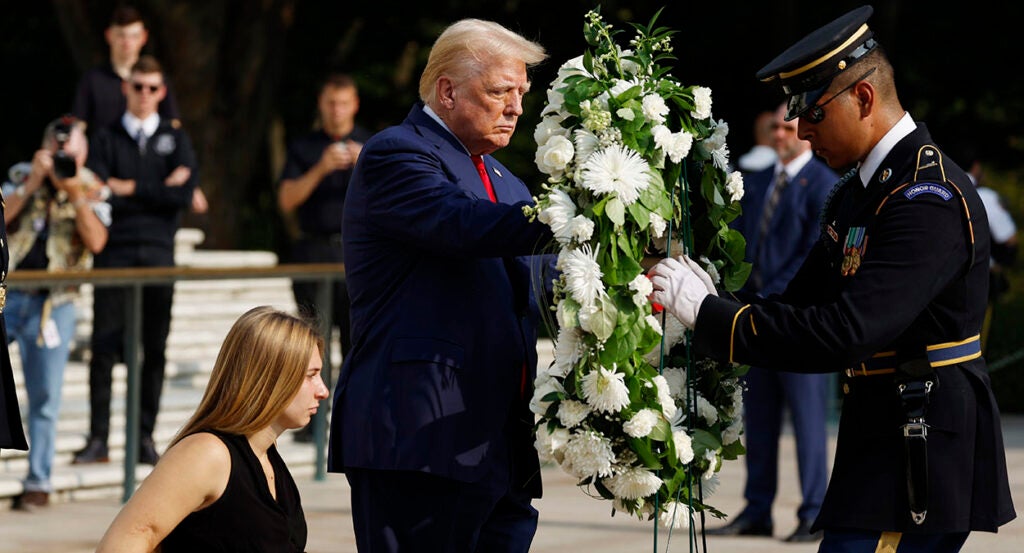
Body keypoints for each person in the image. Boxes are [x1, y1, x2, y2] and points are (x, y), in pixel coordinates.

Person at [649, 6, 1015, 552]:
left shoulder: (925, 198)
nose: (797, 130)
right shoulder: (858, 193)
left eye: (812, 112)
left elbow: (847, 330)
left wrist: (712, 315)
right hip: (879, 445)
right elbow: (795, 306)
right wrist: (702, 294)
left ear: (863, 99)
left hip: (917, 453)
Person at [328, 18, 553, 553]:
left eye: (522, 93)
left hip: (498, 446)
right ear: (448, 90)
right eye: (501, 91)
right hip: (420, 440)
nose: (517, 108)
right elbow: (459, 223)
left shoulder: (507, 180)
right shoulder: (396, 152)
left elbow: (542, 288)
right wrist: (578, 216)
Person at [95, 305, 328, 552]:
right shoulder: (208, 453)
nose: (323, 391)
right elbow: (124, 541)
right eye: (311, 375)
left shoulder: (268, 459)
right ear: (270, 378)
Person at [707, 102, 836, 542]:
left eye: (787, 128)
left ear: (805, 130)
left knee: (807, 419)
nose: (779, 135)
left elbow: (813, 255)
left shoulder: (825, 185)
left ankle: (815, 511)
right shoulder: (759, 180)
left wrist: (768, 298)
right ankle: (757, 509)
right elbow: (740, 244)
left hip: (798, 321)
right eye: (774, 128)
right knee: (757, 418)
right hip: (756, 318)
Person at [73, 55, 199, 467]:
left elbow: (183, 197)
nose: (144, 95)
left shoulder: (175, 138)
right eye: (137, 86)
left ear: (162, 92)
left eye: (152, 88)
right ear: (125, 89)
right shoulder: (106, 138)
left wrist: (126, 187)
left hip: (160, 256)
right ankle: (98, 439)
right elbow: (96, 191)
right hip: (115, 253)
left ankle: (144, 437)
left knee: (153, 349)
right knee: (105, 348)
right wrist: (158, 186)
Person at [2, 115, 110, 511]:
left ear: (83, 151)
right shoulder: (20, 175)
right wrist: (33, 183)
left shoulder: (94, 186)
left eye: (71, 147)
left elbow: (98, 240)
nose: (64, 154)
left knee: (45, 396)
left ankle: (39, 480)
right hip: (8, 292)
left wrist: (74, 191)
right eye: (57, 147)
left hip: (55, 302)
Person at [277, 73, 371, 443]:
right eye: (331, 104)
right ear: (321, 105)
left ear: (355, 105)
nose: (337, 111)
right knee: (312, 341)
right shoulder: (304, 148)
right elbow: (286, 201)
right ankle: (311, 423)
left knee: (358, 341)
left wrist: (366, 164)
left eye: (343, 103)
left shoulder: (372, 144)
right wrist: (321, 168)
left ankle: (354, 421)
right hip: (314, 251)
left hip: (358, 253)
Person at [71, 4, 207, 215]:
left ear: (143, 37)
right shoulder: (93, 80)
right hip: (107, 169)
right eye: (121, 35)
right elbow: (78, 129)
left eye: (133, 36)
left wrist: (189, 182)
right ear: (110, 36)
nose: (127, 43)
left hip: (150, 173)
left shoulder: (158, 80)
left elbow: (173, 131)